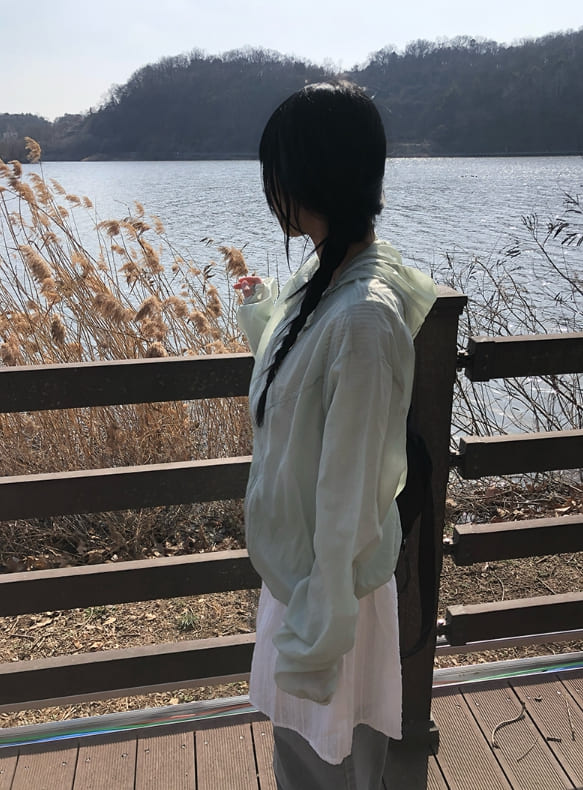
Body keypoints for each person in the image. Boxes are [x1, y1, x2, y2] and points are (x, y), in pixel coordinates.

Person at [234, 82, 436, 790]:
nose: (272, 190)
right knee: (305, 756)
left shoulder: (362, 316)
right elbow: (307, 381)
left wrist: (318, 632)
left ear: (304, 178)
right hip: (306, 574)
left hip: (333, 588)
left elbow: (351, 489)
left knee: (332, 763)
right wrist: (262, 312)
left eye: (275, 173)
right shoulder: (331, 275)